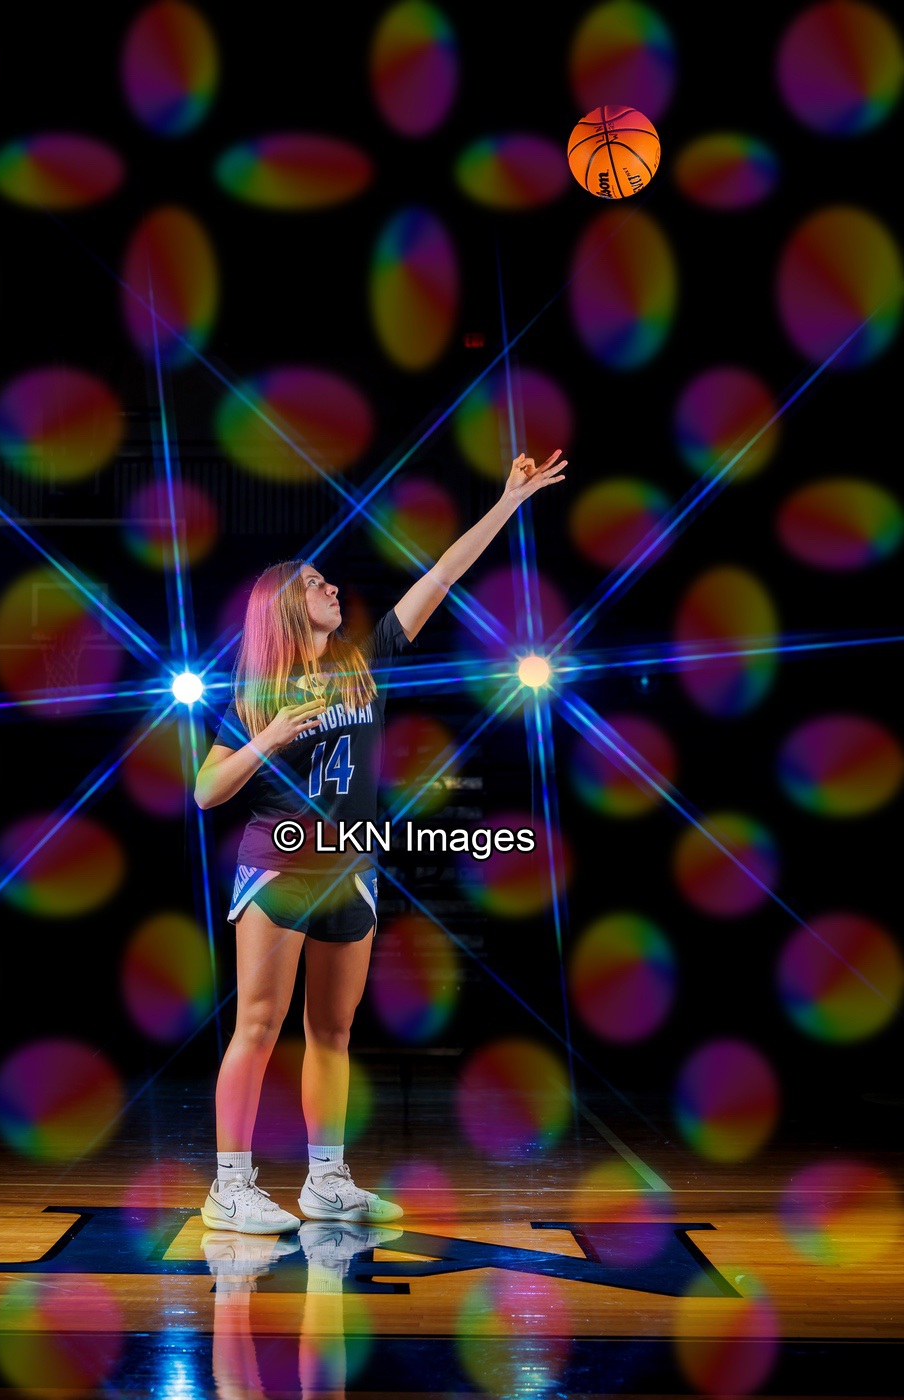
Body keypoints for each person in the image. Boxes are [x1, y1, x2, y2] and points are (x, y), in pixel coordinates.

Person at [194, 449, 567, 1234]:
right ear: (285, 610)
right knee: (258, 1024)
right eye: (315, 584)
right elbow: (206, 790)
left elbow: (443, 576)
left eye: (329, 581)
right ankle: (228, 1187)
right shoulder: (257, 693)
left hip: (351, 869)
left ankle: (326, 1180)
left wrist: (509, 502)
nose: (332, 588)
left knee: (332, 1031)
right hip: (279, 865)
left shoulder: (366, 666)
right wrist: (270, 739)